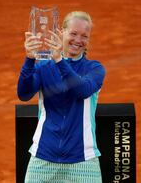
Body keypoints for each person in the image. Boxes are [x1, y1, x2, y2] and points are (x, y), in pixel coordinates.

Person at [17, 11, 106, 183]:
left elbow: (82, 90)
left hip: (83, 159)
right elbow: (24, 94)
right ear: (61, 32)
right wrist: (29, 59)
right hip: (43, 156)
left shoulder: (94, 69)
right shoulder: (44, 66)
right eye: (73, 33)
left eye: (84, 36)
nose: (78, 40)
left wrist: (58, 60)